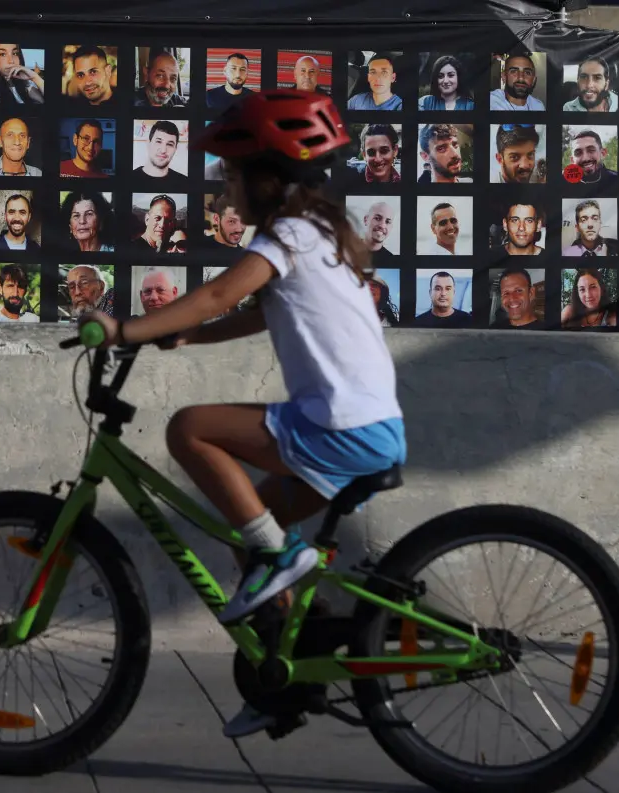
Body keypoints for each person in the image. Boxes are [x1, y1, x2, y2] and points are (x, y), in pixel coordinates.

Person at [77, 89, 406, 739]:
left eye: (230, 177)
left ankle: (283, 562)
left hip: (339, 427)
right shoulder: (321, 235)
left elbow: (221, 293)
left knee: (189, 428)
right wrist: (187, 338)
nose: (226, 192)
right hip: (370, 429)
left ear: (267, 176)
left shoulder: (287, 234)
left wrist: (126, 329)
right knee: (249, 538)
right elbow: (259, 312)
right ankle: (285, 679)